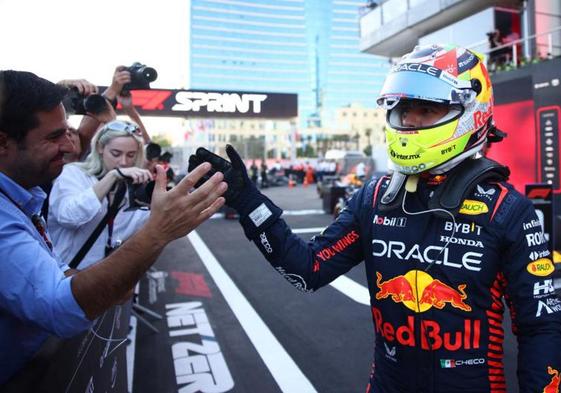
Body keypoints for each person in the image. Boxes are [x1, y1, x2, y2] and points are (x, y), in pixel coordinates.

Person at [189, 44, 561, 392]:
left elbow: (542, 327)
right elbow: (309, 269)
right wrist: (248, 201)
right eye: (403, 110)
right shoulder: (375, 196)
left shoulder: (507, 210)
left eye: (426, 110)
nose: (410, 121)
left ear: (470, 112)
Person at [0, 70, 226, 385]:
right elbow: (59, 304)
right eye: (54, 137)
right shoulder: (62, 181)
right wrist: (156, 231)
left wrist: (173, 211)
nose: (68, 146)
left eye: (68, 131)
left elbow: (62, 268)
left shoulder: (25, 195)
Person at [48, 120, 153, 269]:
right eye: (116, 153)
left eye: (131, 155)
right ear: (100, 148)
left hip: (102, 279)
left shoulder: (130, 190)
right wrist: (112, 176)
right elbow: (69, 217)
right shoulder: (73, 173)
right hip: (65, 275)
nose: (123, 162)